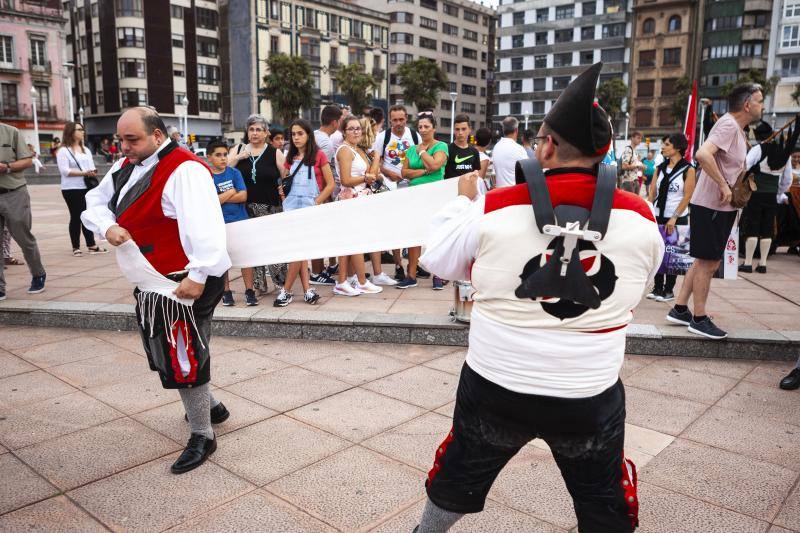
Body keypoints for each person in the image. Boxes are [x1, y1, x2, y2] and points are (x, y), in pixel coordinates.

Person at [414, 62, 662, 533]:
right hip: (587, 392)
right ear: (606, 151)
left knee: (459, 473)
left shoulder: (496, 204)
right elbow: (640, 283)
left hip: (496, 386)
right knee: (601, 495)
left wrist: (465, 201)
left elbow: (438, 260)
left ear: (546, 145)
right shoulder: (642, 216)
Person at [81, 107, 231, 475]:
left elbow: (207, 227)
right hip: (154, 282)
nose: (124, 146)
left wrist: (197, 275)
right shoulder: (123, 167)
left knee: (183, 354)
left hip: (183, 281)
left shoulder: (186, 169)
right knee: (168, 350)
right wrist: (106, 225)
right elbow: (95, 202)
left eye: (132, 139)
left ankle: (203, 433)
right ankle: (209, 406)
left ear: (158, 136)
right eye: (121, 139)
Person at [667, 83, 764, 340]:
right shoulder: (729, 125)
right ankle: (699, 318)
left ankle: (679, 309)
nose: (762, 105)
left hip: (716, 206)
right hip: (712, 205)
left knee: (702, 261)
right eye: (759, 101)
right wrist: (723, 185)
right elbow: (702, 154)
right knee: (709, 264)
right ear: (747, 104)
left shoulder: (737, 129)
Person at [274, 119, 335, 306]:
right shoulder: (289, 157)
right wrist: (283, 197)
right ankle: (307, 290)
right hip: (291, 208)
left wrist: (315, 202)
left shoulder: (319, 156)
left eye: (300, 133)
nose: (296, 137)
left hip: (309, 208)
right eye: (293, 134)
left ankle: (286, 290)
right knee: (300, 250)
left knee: (298, 250)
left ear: (308, 134)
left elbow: (330, 184)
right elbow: (284, 182)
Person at [228, 114, 287, 295]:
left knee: (272, 245)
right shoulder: (238, 149)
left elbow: (286, 174)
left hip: (270, 206)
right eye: (251, 129)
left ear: (266, 133)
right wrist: (239, 157)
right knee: (251, 247)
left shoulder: (274, 152)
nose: (254, 133)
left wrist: (283, 189)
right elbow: (226, 169)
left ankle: (280, 283)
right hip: (245, 207)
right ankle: (258, 284)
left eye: (258, 130)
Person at [333, 115, 383, 296]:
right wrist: (365, 178)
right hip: (350, 199)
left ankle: (342, 282)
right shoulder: (345, 150)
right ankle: (361, 281)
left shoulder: (359, 149)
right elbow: (345, 180)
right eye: (351, 129)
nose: (356, 132)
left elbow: (373, 174)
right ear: (344, 132)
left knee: (349, 243)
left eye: (358, 128)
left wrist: (376, 156)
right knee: (356, 242)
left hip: (361, 198)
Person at [370, 104, 422, 281]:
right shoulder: (382, 137)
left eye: (401, 119)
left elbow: (421, 159)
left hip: (412, 186)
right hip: (390, 187)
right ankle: (398, 263)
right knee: (395, 226)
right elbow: (377, 161)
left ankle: (414, 265)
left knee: (412, 225)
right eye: (395, 120)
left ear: (406, 118)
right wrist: (388, 173)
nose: (398, 123)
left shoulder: (415, 135)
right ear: (390, 120)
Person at [738, 120, 798, 274]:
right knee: (767, 229)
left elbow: (744, 167)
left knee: (752, 228)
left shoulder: (758, 148)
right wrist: (778, 192)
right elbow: (787, 180)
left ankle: (748, 262)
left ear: (758, 136)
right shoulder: (784, 153)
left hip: (756, 194)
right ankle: (763, 264)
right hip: (772, 196)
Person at [399, 111, 449, 290]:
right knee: (414, 235)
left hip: (434, 195)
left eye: (427, 126)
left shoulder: (441, 146)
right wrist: (422, 171)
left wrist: (422, 153)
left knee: (435, 236)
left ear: (434, 128)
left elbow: (436, 165)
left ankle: (438, 275)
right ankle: (411, 275)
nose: (423, 129)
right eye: (420, 126)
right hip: (414, 196)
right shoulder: (411, 149)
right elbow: (404, 173)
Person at [206, 139, 257, 307]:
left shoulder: (234, 173)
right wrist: (231, 191)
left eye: (225, 155)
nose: (223, 158)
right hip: (219, 224)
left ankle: (249, 291)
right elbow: (211, 202)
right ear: (209, 158)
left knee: (246, 258)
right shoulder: (207, 177)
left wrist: (223, 197)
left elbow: (243, 196)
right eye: (218, 155)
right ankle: (226, 291)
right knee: (223, 259)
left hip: (240, 221)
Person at [0, 122, 46, 300]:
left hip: (14, 193)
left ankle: (38, 274)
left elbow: (28, 160)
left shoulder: (11, 132)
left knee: (24, 238)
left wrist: (7, 167)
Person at [647, 133, 696, 301]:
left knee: (673, 254)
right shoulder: (659, 168)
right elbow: (652, 191)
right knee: (658, 252)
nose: (663, 147)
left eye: (667, 144)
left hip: (677, 217)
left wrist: (674, 216)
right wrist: (649, 209)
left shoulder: (688, 169)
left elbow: (687, 195)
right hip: (658, 215)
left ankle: (668, 289)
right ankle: (657, 287)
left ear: (677, 148)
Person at [56, 122, 108, 257]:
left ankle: (91, 245)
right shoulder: (63, 150)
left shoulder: (86, 150)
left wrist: (91, 172)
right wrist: (85, 173)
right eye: (79, 129)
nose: (82, 132)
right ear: (71, 132)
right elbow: (65, 171)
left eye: (82, 129)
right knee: (76, 216)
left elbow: (90, 167)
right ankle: (76, 247)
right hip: (71, 188)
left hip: (87, 187)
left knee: (87, 215)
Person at [358, 116, 398, 286]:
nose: (377, 135)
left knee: (374, 235)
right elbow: (371, 175)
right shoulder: (364, 152)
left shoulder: (364, 151)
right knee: (365, 237)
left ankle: (377, 272)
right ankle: (358, 276)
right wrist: (376, 159)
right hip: (362, 198)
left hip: (367, 197)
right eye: (374, 131)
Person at [311, 105, 344, 286]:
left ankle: (319, 270)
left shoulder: (315, 136)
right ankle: (316, 273)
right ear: (335, 122)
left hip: (315, 192)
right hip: (321, 192)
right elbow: (326, 171)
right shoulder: (326, 143)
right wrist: (328, 196)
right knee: (319, 233)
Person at [491, 117, 527, 188]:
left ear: (503, 130)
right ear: (516, 130)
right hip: (514, 194)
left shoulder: (496, 147)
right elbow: (528, 172)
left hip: (500, 193)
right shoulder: (519, 149)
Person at [444, 115, 481, 180]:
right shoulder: (447, 149)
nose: (460, 133)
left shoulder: (474, 151)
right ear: (454, 130)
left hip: (468, 188)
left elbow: (476, 173)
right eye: (457, 129)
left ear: (470, 129)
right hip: (450, 188)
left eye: (463, 129)